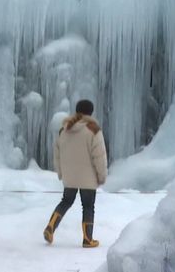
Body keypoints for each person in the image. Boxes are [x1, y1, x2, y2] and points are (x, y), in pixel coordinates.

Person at [43, 99, 108, 248]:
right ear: (91, 112)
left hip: (70, 177)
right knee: (88, 206)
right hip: (88, 178)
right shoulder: (93, 129)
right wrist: (102, 175)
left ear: (77, 111)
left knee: (66, 201)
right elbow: (99, 156)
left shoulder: (64, 129)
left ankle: (50, 227)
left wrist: (61, 173)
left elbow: (57, 154)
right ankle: (87, 239)